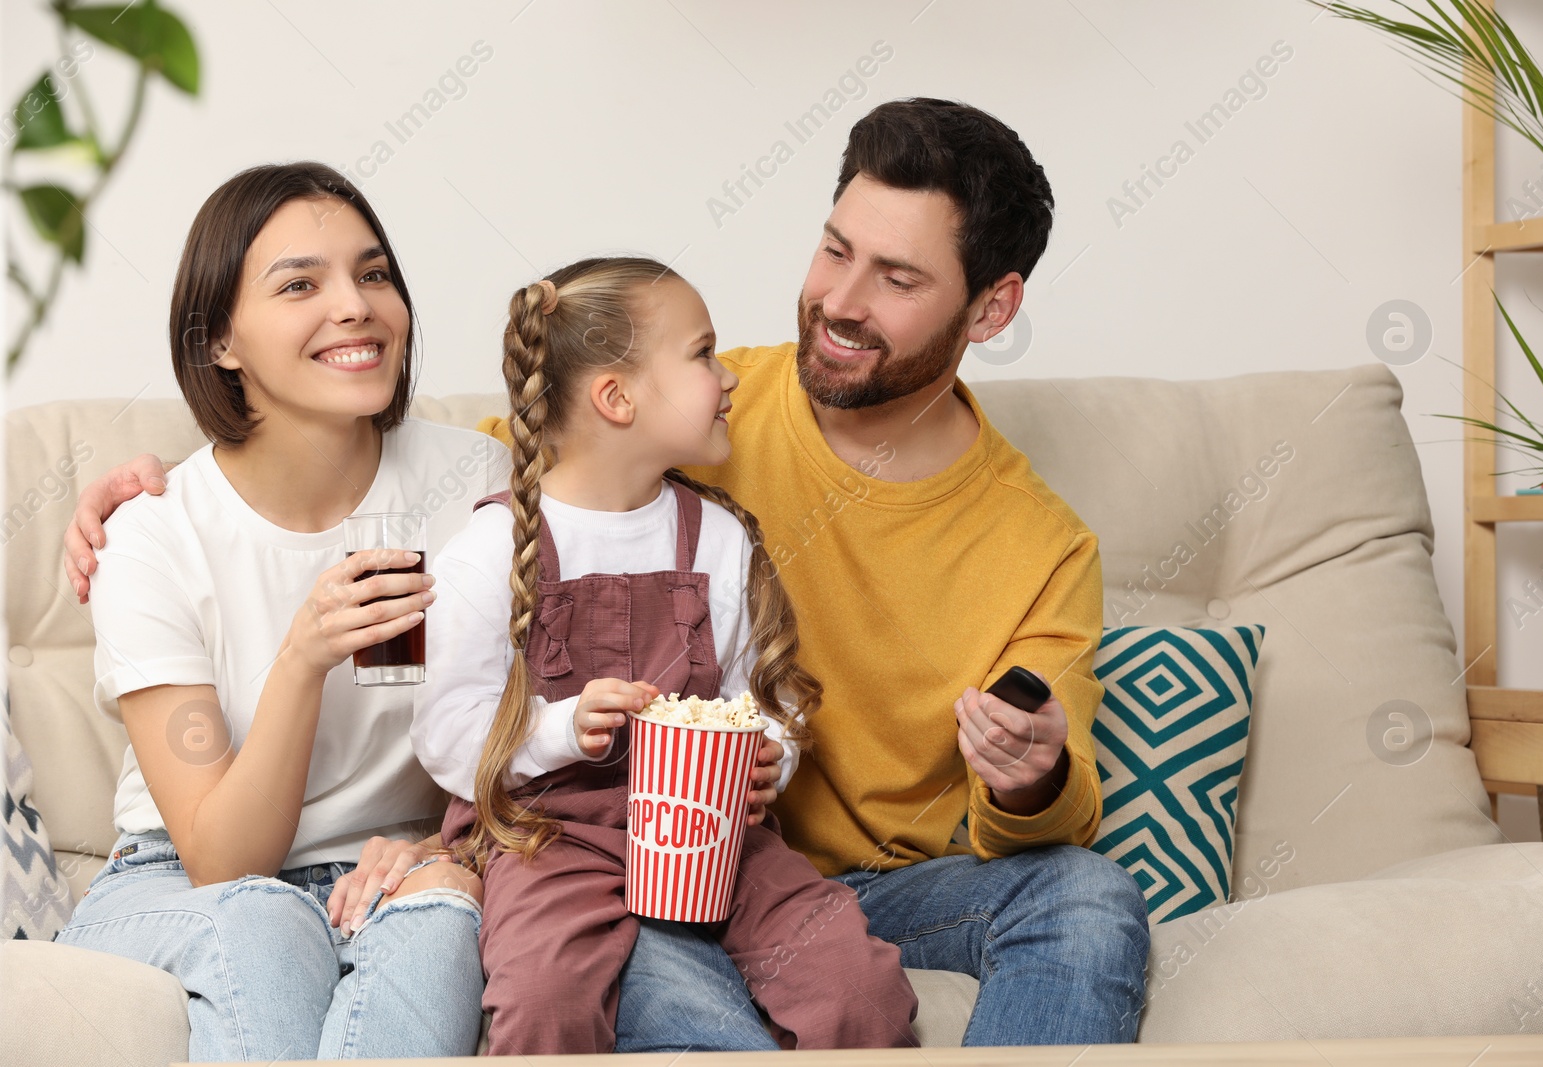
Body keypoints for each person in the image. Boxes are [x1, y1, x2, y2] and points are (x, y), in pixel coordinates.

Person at [66, 99, 1152, 1046]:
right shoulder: (667, 418)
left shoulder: (1039, 543)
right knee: (662, 995)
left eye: (898, 276)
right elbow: (363, 455)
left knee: (1091, 901)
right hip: (615, 846)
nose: (838, 300)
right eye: (833, 249)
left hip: (815, 866)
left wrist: (1029, 774)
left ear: (991, 308)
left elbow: (1054, 809)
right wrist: (160, 486)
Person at [53, 162, 502, 1061]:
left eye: (374, 275)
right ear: (220, 340)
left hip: (393, 866)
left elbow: (520, 749)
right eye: (301, 283)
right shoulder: (151, 537)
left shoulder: (477, 484)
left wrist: (455, 859)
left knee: (443, 921)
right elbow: (225, 856)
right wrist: (303, 656)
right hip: (184, 880)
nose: (356, 306)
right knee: (264, 921)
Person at [413, 256, 918, 1054]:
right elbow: (445, 734)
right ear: (616, 397)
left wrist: (770, 756)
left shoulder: (718, 538)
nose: (729, 378)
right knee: (543, 995)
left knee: (855, 983)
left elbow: (766, 694)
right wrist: (561, 727)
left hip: (714, 832)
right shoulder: (491, 548)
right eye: (702, 354)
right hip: (550, 837)